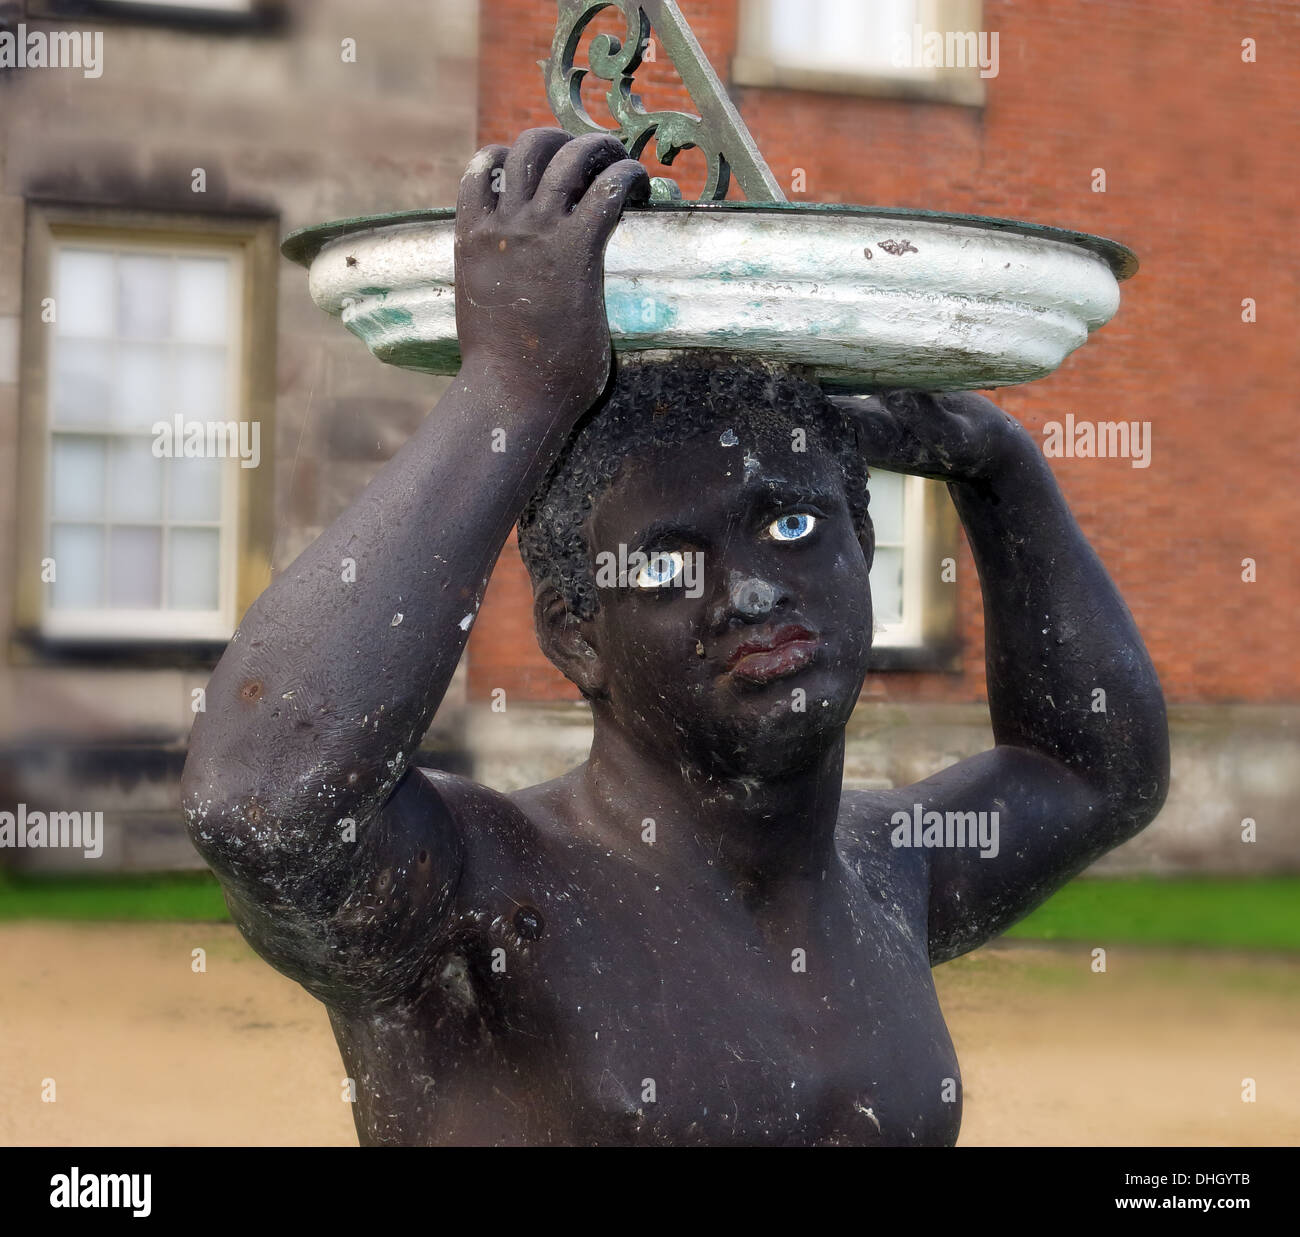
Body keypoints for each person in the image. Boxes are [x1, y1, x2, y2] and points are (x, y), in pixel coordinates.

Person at [181, 128, 1169, 1146]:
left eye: (792, 525)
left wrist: (1000, 469)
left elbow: (1095, 768)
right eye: (663, 564)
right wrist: (509, 391)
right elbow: (264, 803)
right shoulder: (483, 900)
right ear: (577, 636)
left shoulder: (885, 869)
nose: (747, 590)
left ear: (862, 544)